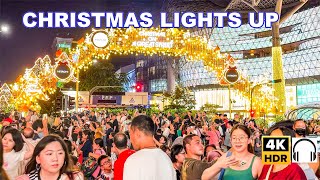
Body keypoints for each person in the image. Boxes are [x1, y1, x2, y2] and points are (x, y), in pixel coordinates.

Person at [123, 115, 176, 180]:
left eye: (130, 134)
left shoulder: (133, 160)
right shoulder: (166, 158)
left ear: (137, 133)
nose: (130, 139)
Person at [16, 135, 83, 180]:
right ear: (38, 159)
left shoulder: (76, 177)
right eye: (49, 154)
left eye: (60, 153)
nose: (55, 158)